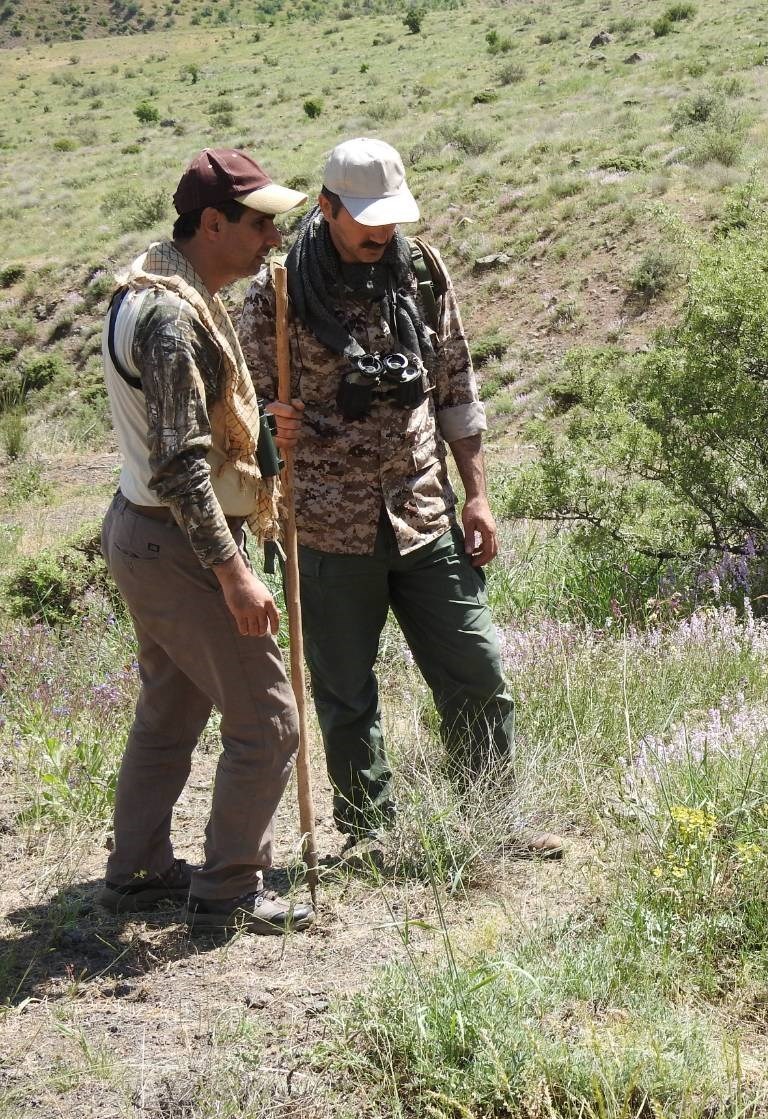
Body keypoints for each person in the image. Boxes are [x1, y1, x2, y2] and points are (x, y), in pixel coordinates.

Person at [235, 138, 561, 857]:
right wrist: (268, 422)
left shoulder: (420, 273)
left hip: (423, 511)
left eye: (390, 218)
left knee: (477, 672)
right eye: (365, 222)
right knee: (347, 694)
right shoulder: (279, 291)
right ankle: (367, 834)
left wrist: (477, 496)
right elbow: (241, 407)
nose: (380, 234)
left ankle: (493, 820)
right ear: (327, 208)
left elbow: (456, 389)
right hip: (323, 524)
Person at [98, 148, 312, 934]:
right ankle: (228, 888)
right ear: (212, 223)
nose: (272, 240)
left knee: (171, 710)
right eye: (260, 223)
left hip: (145, 533)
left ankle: (139, 873)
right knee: (269, 720)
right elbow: (182, 465)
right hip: (182, 541)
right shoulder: (172, 319)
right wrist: (233, 573)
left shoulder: (152, 287)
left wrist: (261, 439)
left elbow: (194, 445)